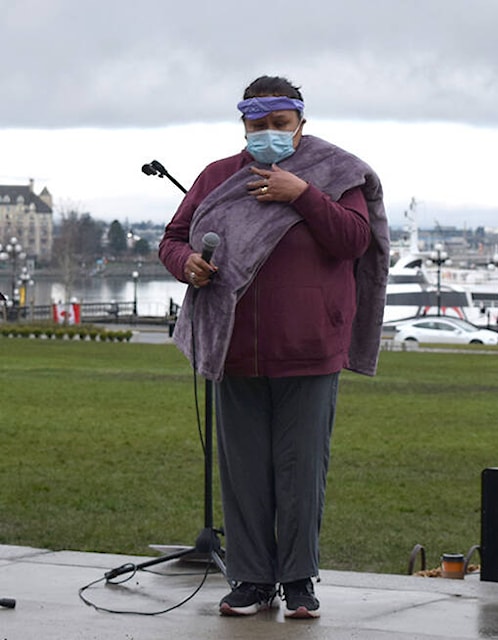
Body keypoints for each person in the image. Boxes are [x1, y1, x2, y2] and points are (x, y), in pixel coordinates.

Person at [159, 75, 389, 619]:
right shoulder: (218, 177)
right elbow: (173, 238)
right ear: (243, 125)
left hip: (310, 348)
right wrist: (184, 264)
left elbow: (356, 241)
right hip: (234, 349)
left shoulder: (336, 173)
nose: (267, 135)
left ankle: (299, 581)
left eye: (278, 125)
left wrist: (302, 195)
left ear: (300, 123)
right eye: (256, 126)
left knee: (301, 471)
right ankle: (251, 581)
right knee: (243, 475)